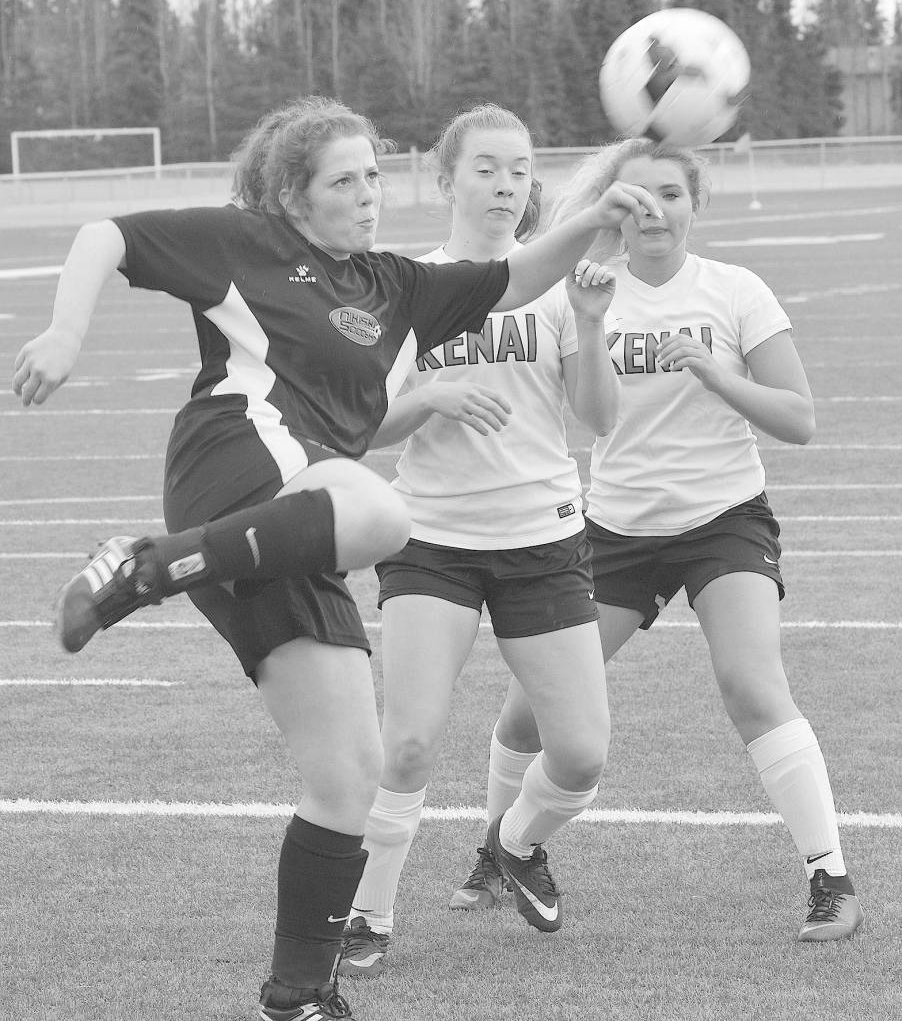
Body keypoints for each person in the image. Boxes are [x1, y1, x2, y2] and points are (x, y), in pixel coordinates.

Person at [11, 99, 666, 1021]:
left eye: (373, 177)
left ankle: (297, 995)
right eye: (344, 181)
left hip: (295, 531)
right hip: (234, 468)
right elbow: (103, 234)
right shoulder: (244, 243)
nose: (367, 196)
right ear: (293, 193)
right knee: (381, 511)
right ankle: (146, 567)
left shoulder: (394, 285)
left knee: (350, 774)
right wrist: (67, 332)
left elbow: (516, 275)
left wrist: (594, 220)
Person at [449, 136, 864, 944]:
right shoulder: (585, 293)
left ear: (693, 203)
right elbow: (582, 415)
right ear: (615, 208)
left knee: (752, 684)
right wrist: (587, 314)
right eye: (636, 198)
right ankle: (496, 853)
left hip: (724, 520)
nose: (654, 212)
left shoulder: (736, 291)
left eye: (670, 195)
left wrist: (715, 373)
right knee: (530, 714)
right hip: (616, 527)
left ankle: (831, 877)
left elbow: (800, 420)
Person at [334, 103, 620, 980]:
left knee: (581, 753)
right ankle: (367, 915)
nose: (506, 184)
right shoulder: (405, 287)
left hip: (543, 538)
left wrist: (592, 319)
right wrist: (436, 398)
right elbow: (364, 426)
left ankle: (516, 842)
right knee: (409, 742)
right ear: (445, 177)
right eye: (488, 166)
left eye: (522, 169)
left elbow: (599, 419)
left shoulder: (554, 286)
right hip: (433, 541)